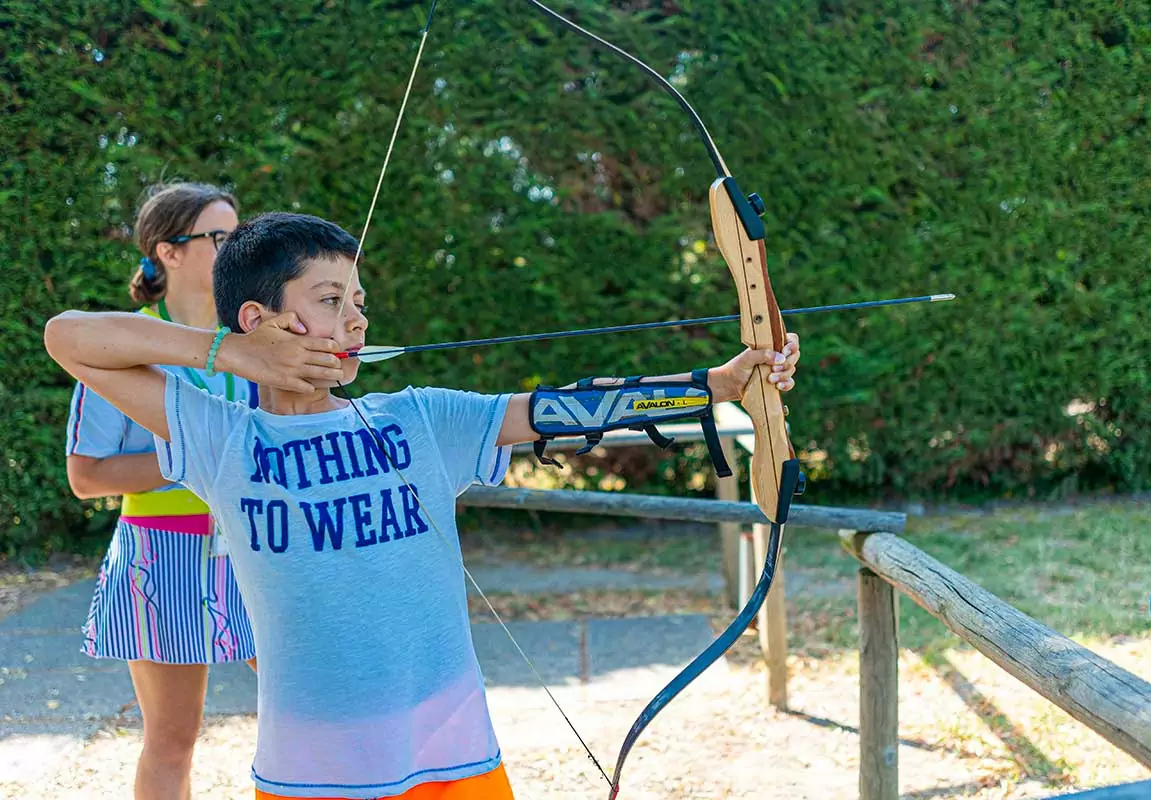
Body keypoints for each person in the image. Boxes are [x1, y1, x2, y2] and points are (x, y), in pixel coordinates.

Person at [44, 211, 800, 800]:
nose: (358, 321)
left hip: (452, 752)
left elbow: (561, 412)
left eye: (360, 302)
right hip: (309, 764)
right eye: (331, 301)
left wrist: (715, 384)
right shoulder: (221, 436)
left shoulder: (420, 419)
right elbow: (69, 337)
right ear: (259, 318)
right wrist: (231, 357)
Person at [63, 182, 258, 800]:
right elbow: (86, 475)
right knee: (172, 740)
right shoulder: (118, 345)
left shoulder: (260, 338)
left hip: (262, 549)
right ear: (167, 251)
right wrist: (192, 456)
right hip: (160, 558)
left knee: (316, 710)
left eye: (238, 235)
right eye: (218, 238)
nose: (235, 249)